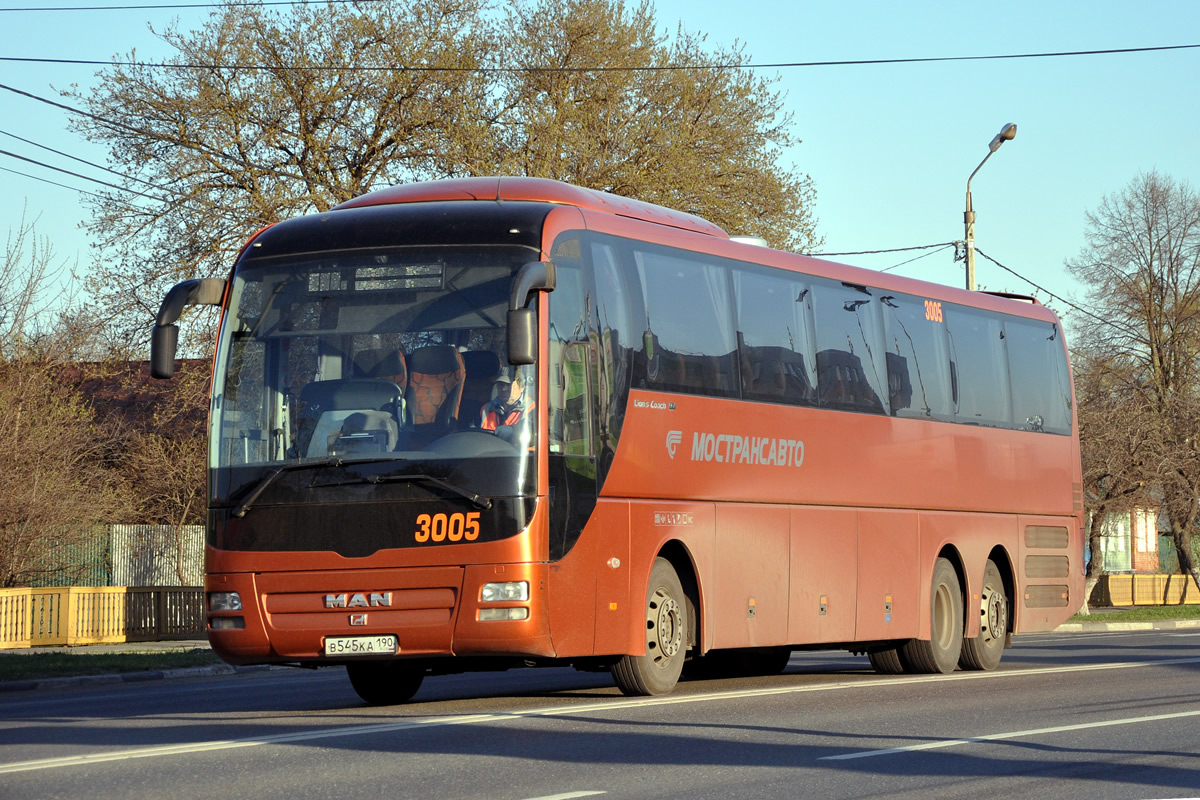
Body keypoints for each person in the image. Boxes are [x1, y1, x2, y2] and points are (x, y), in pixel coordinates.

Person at [479, 368, 534, 444]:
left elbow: (532, 429)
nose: (504, 389)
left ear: (522, 387)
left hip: (516, 454)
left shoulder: (532, 409)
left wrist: (512, 431)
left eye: (509, 385)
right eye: (501, 385)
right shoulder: (485, 409)